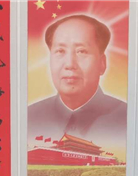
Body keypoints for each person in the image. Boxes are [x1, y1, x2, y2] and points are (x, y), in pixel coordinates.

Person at [27, 14, 127, 146]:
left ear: (102, 63)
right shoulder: (28, 117)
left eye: (81, 51)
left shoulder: (128, 118)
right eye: (60, 51)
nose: (69, 64)